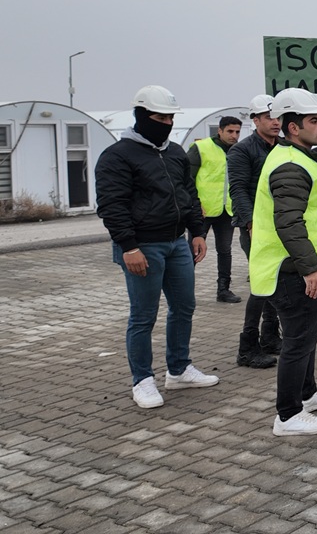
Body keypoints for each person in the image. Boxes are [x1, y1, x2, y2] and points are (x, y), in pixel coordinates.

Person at [96, 85, 218, 409]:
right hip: (142, 247)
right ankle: (143, 380)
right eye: (159, 116)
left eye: (169, 117)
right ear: (140, 115)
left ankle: (178, 370)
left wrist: (198, 232)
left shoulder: (176, 152)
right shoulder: (117, 156)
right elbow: (111, 204)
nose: (165, 122)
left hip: (178, 243)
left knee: (184, 307)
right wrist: (128, 246)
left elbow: (189, 195)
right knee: (143, 316)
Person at [248, 89, 317, 435]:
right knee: (298, 339)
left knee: (309, 331)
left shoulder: (299, 158)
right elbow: (288, 222)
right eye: (314, 120)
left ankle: (308, 393)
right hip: (291, 271)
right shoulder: (290, 165)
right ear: (292, 127)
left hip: (296, 268)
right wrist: (310, 268)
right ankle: (288, 415)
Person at [226, 94, 282, 369]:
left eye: (279, 117)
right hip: (255, 228)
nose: (276, 122)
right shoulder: (242, 150)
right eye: (269, 117)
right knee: (262, 283)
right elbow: (238, 189)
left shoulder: (282, 147)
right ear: (255, 119)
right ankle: (247, 347)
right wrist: (251, 223)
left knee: (275, 281)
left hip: (280, 225)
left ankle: (270, 336)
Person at [187, 115, 242, 303]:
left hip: (227, 210)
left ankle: (223, 289)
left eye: (237, 132)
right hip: (203, 210)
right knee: (193, 251)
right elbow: (187, 179)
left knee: (225, 251)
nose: (234, 135)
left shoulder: (238, 151)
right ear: (220, 130)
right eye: (230, 131)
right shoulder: (201, 148)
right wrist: (194, 203)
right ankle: (184, 292)